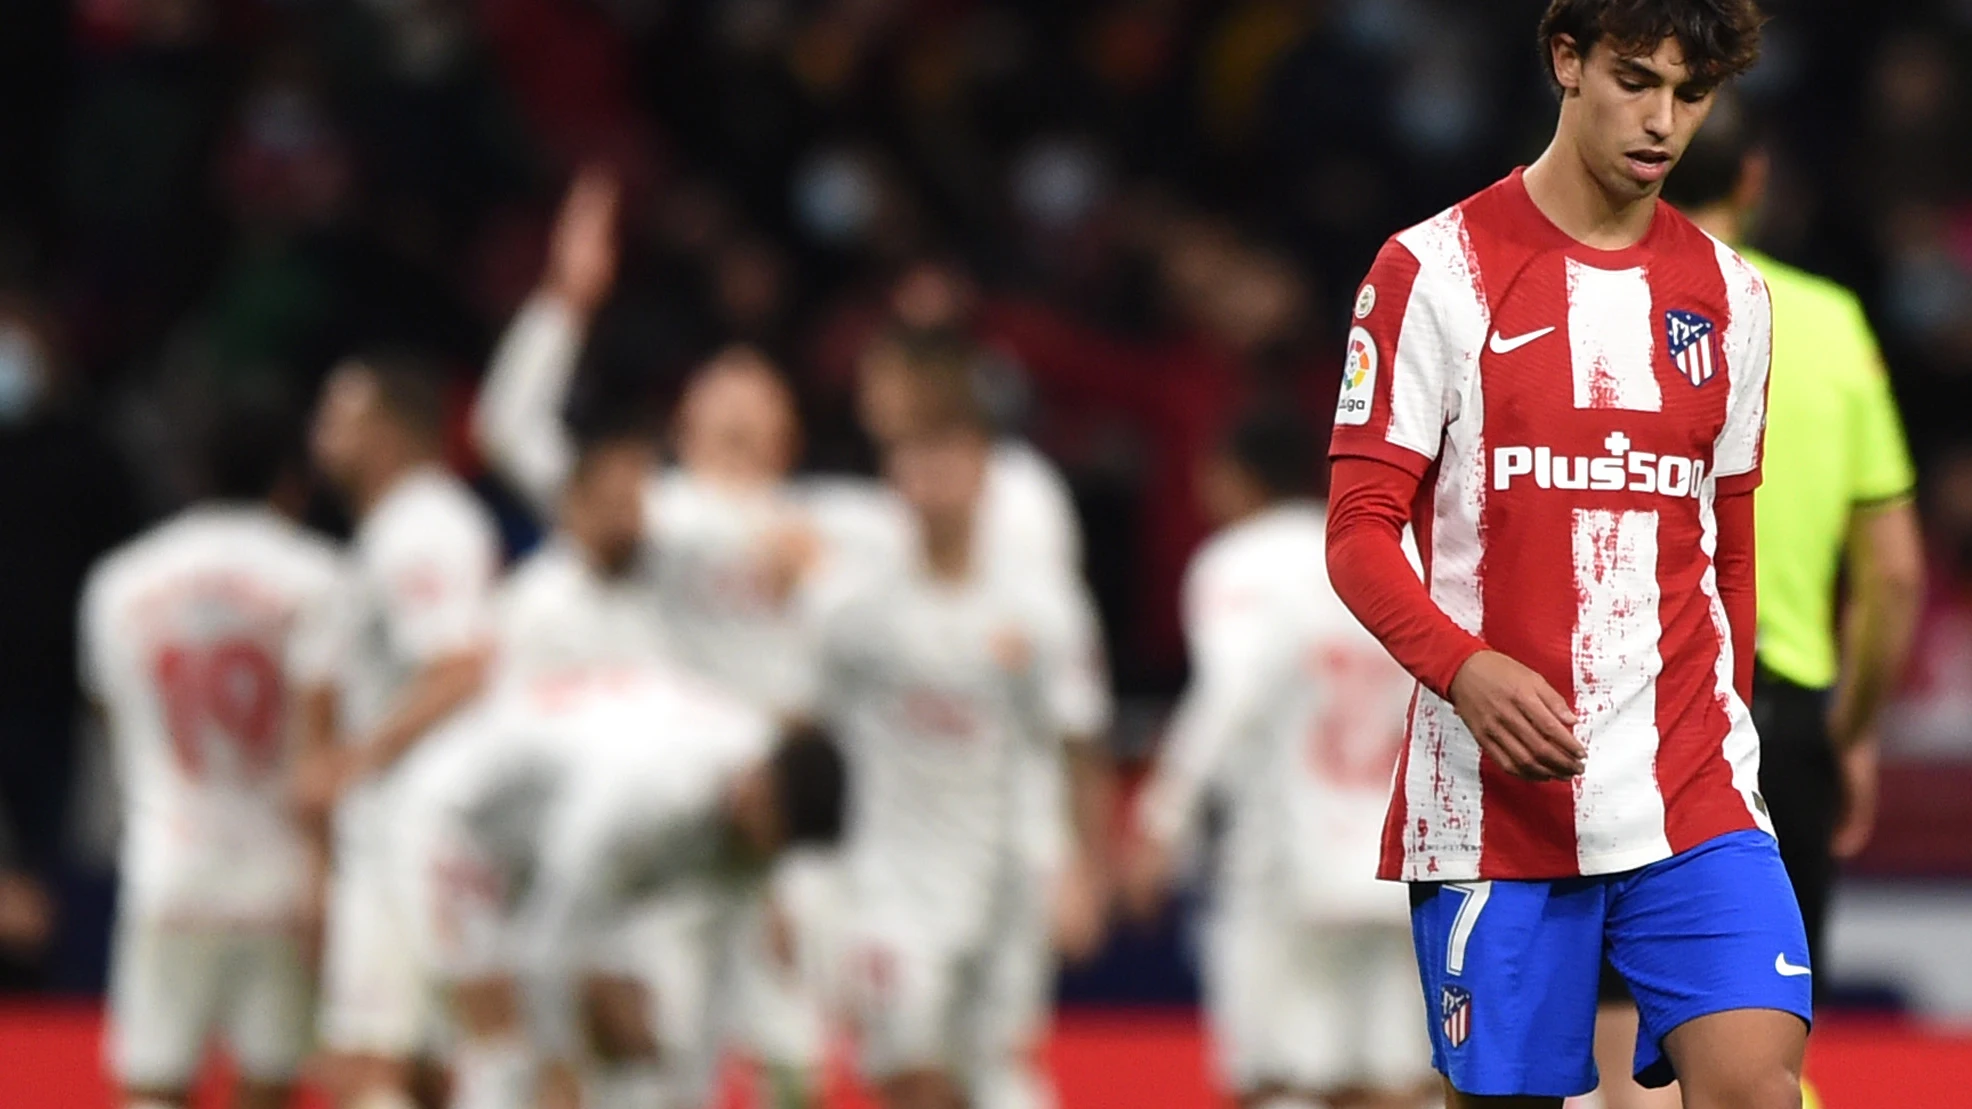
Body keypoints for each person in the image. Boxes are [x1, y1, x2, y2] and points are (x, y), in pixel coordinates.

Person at [1323, 2, 1808, 1106]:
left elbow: (1727, 553)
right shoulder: (1430, 272)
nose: (1662, 121)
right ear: (1564, 59)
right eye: (1634, 80)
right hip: (1497, 806)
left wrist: (1724, 731)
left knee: (1757, 1088)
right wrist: (1464, 666)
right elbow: (1357, 533)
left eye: (1691, 95)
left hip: (1693, 788)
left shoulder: (1731, 299)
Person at [1583, 92, 1926, 1109]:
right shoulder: (1823, 321)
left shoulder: (1596, 307)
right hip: (1772, 719)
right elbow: (1895, 573)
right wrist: (1851, 730)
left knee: (1619, 1054)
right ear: (1752, 178)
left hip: (1623, 709)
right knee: (1758, 1058)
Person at [474, 167, 832, 1108]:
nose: (738, 399)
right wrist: (565, 301)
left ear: (790, 432)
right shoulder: (655, 520)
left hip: (785, 832)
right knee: (658, 1072)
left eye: (758, 396)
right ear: (683, 421)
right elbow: (510, 428)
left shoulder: (834, 536)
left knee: (793, 1064)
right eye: (719, 390)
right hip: (675, 829)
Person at [1124, 408, 1434, 1109]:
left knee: (1277, 1078)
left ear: (1234, 480)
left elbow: (1229, 693)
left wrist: (1162, 816)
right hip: (1400, 861)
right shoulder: (1400, 554)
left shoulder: (1243, 562)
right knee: (1393, 1080)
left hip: (1284, 865)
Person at [810, 389, 1111, 1109]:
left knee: (999, 1072)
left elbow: (1077, 744)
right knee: (909, 1073)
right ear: (893, 476)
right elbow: (815, 744)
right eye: (917, 459)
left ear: (983, 473)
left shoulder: (1043, 607)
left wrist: (1084, 872)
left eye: (952, 458)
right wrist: (812, 883)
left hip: (1008, 876)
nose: (935, 476)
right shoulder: (852, 611)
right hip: (893, 880)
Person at [389, 664, 849, 1109]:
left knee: (629, 1036)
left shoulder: (766, 802)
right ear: (761, 783)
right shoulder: (646, 792)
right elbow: (547, 939)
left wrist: (692, 1096)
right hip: (465, 820)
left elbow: (724, 975)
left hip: (553, 856)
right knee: (501, 1045)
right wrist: (557, 1062)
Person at [79, 396, 343, 1109]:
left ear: (187, 472)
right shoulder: (321, 578)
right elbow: (329, 737)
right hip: (281, 876)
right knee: (269, 1083)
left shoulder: (119, 582)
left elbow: (113, 715)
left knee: (154, 1084)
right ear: (294, 477)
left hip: (169, 867)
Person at [302, 354, 502, 1109]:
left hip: (412, 835)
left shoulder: (425, 526)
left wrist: (357, 757)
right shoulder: (394, 526)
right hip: (402, 832)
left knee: (368, 1065)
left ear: (388, 433)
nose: (319, 433)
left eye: (338, 417)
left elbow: (460, 667)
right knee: (418, 1072)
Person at [493, 420, 667, 685]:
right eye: (615, 503)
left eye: (634, 505)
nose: (625, 522)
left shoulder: (646, 598)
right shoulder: (537, 600)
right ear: (576, 505)